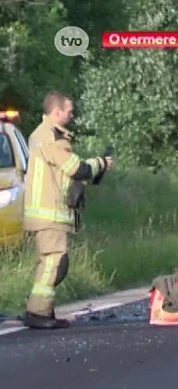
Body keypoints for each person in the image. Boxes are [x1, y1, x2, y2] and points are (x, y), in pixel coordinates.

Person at [22, 90, 113, 329]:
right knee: (55, 262)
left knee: (49, 263)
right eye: (69, 111)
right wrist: (101, 163)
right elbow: (76, 169)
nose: (72, 115)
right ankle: (38, 313)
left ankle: (42, 309)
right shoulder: (51, 138)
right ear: (56, 111)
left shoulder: (42, 135)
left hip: (44, 213)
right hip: (50, 212)